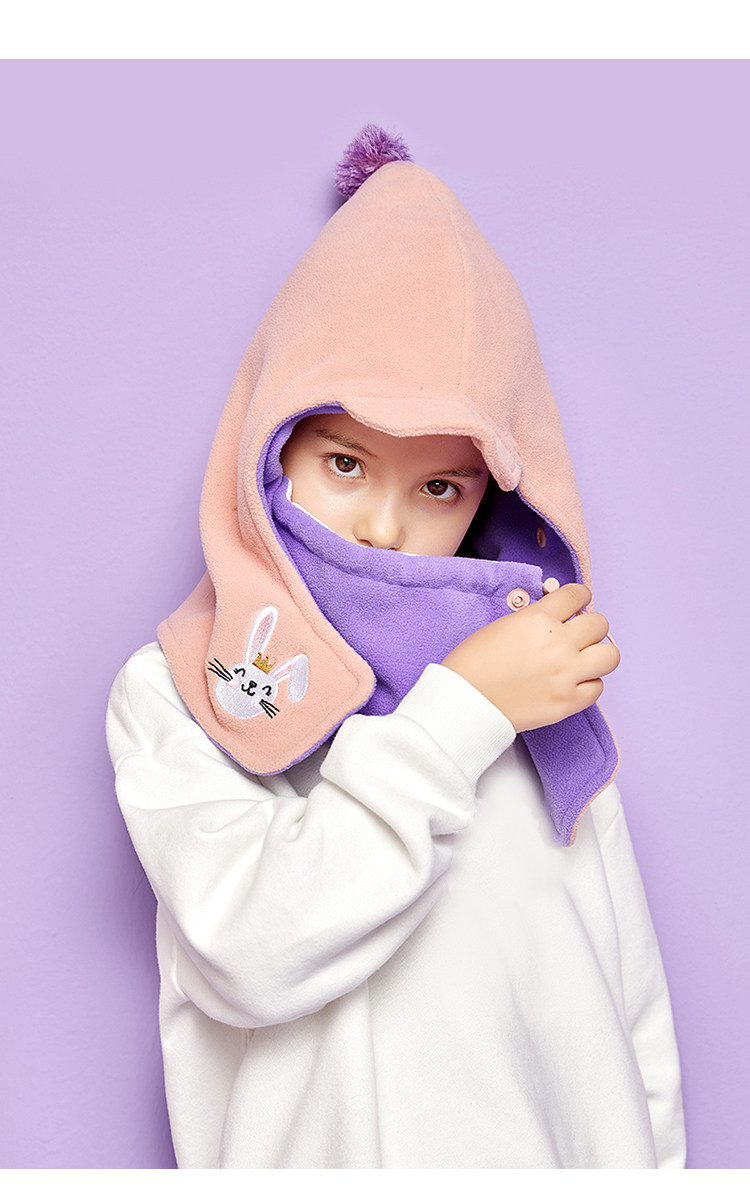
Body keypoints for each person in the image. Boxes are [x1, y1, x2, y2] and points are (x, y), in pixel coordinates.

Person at [106, 126, 686, 1168]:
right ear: (269, 446)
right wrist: (458, 714)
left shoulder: (539, 691)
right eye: (344, 463)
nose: (382, 526)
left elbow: (628, 1005)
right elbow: (250, 951)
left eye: (439, 487)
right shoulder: (184, 689)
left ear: (491, 500)